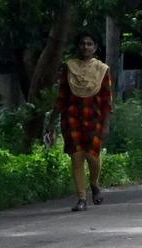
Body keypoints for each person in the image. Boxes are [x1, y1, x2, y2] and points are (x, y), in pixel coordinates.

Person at [49, 31, 113, 212]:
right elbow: (61, 97)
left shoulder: (102, 69)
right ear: (78, 46)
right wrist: (51, 122)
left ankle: (94, 183)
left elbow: (107, 100)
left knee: (92, 156)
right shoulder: (69, 68)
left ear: (95, 47)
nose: (85, 47)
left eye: (89, 43)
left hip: (94, 118)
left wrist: (106, 124)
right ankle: (82, 198)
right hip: (72, 119)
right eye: (82, 43)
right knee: (77, 158)